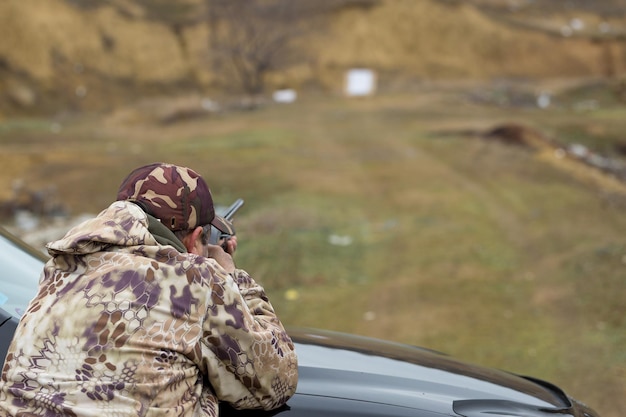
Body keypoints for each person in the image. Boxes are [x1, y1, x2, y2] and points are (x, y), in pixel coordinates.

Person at [0, 163, 298, 416]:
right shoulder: (196, 279)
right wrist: (231, 276)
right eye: (204, 240)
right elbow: (277, 380)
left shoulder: (60, 270)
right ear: (195, 238)